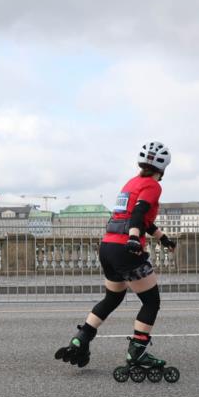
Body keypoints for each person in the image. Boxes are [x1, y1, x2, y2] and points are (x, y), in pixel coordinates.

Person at [55, 141, 176, 370]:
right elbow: (139, 213)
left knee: (113, 298)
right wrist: (133, 238)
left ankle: (80, 339)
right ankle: (137, 353)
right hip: (126, 250)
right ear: (163, 168)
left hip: (107, 247)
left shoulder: (131, 183)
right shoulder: (152, 185)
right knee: (151, 302)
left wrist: (163, 238)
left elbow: (141, 220)